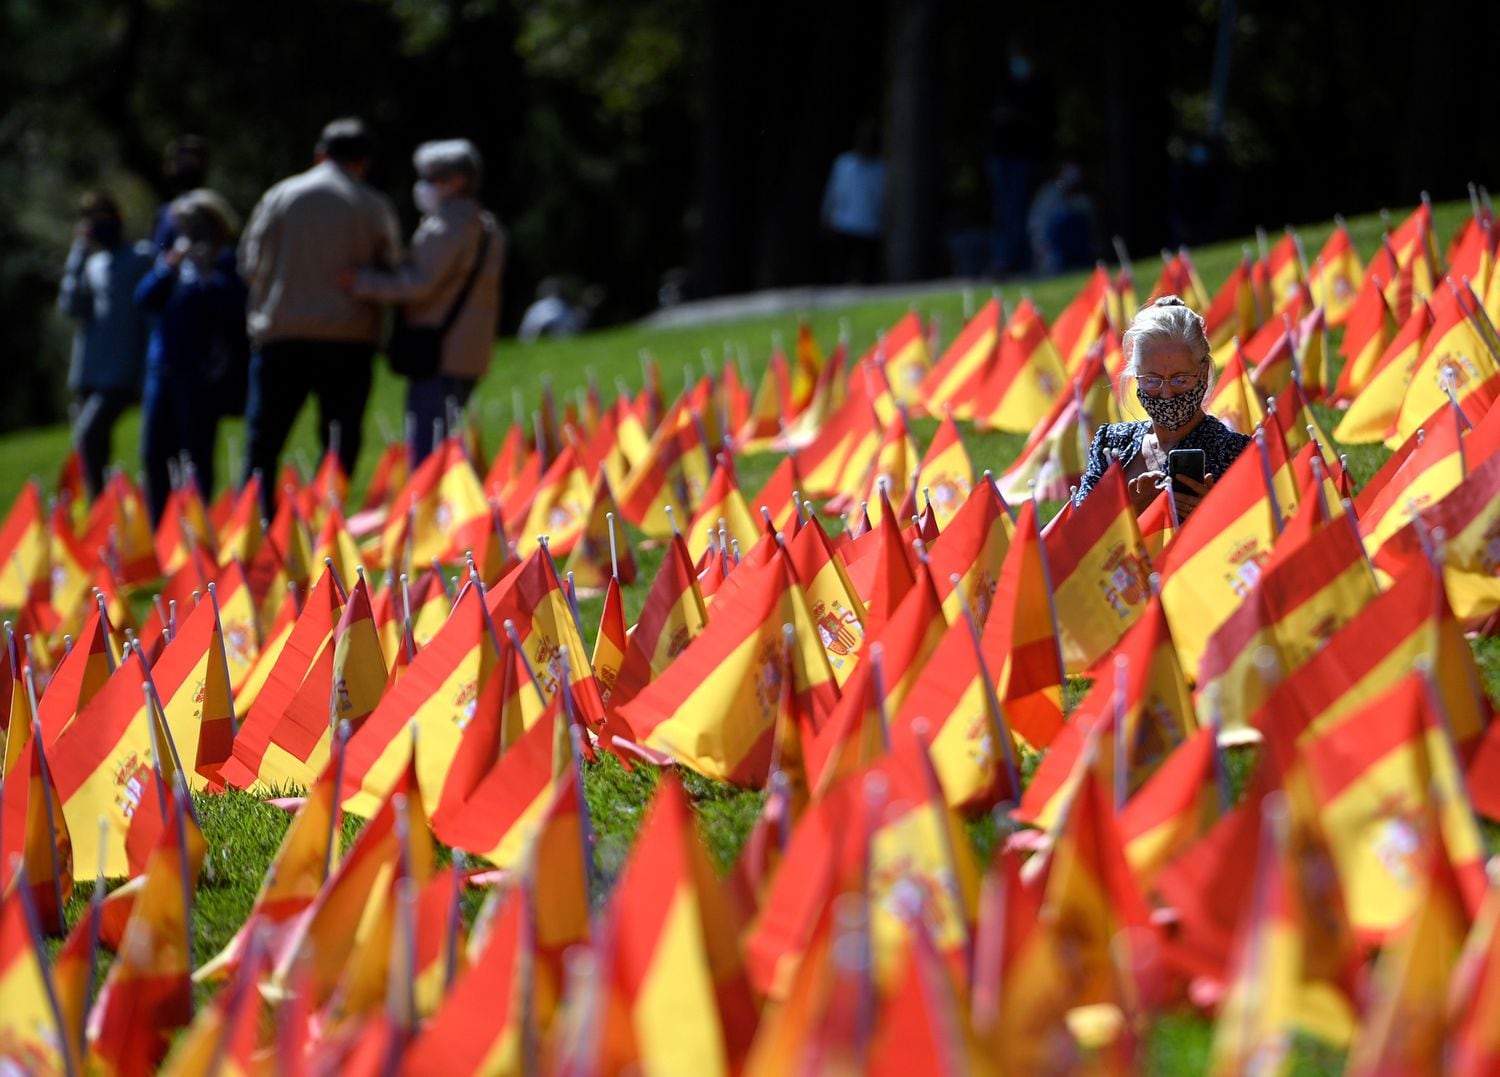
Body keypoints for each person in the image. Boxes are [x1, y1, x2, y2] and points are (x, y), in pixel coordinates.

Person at [240, 117, 401, 515]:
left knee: (265, 440)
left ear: (319, 155)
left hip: (282, 334)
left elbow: (249, 262)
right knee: (338, 439)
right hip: (349, 338)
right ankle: (325, 522)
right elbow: (393, 266)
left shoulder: (280, 195)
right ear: (363, 161)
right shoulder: (371, 204)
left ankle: (259, 527)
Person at [346, 138, 503, 465]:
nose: (424, 186)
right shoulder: (487, 226)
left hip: (439, 354)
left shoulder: (447, 226)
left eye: (432, 178)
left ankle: (430, 513)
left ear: (456, 181)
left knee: (427, 455)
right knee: (442, 445)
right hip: (467, 353)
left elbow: (418, 284)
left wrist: (360, 282)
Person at [1073, 296, 1251, 521]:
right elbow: (1077, 535)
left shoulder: (1235, 452)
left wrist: (1213, 517)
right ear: (1135, 377)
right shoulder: (1111, 444)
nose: (1166, 394)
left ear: (1203, 372)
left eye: (1180, 379)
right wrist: (1130, 516)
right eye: (1152, 380)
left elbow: (1254, 539)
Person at [135, 190, 248, 525]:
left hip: (200, 374)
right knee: (155, 453)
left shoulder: (226, 261)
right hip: (163, 369)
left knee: (195, 454)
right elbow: (144, 299)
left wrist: (208, 275)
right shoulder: (170, 259)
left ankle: (196, 525)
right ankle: (161, 528)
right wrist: (168, 267)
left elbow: (235, 308)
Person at [56, 191, 154, 501]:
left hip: (123, 371)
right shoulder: (92, 263)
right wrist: (77, 254)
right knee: (92, 447)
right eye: (91, 221)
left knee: (89, 434)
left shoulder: (141, 257)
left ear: (118, 219)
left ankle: (103, 505)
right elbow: (70, 306)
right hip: (89, 371)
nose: (98, 226)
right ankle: (101, 510)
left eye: (103, 218)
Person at [820, 121, 886, 284]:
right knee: (840, 269)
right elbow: (833, 192)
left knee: (864, 273)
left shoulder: (881, 169)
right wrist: (826, 214)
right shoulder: (844, 163)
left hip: (869, 226)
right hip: (843, 223)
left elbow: (882, 200)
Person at [152, 135, 209, 251]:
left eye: (191, 161)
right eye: (180, 161)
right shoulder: (164, 212)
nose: (185, 166)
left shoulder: (210, 205)